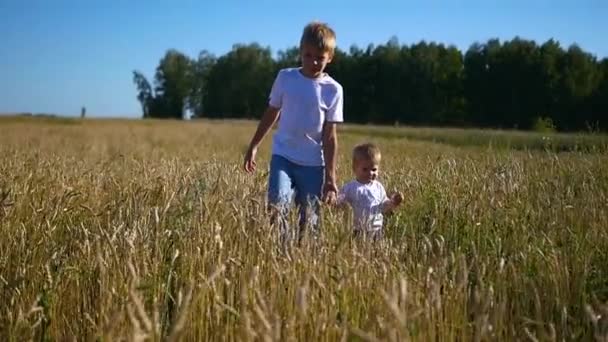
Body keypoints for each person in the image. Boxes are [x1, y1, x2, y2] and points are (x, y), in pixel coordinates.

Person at [243, 21, 344, 244]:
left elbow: (330, 136)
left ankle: (306, 260)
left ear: (330, 57)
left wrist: (331, 178)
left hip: (313, 164)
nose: (313, 62)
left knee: (310, 221)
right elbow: (272, 113)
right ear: (300, 52)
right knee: (276, 205)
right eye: (308, 55)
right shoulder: (285, 78)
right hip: (283, 157)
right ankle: (282, 253)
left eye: (320, 57)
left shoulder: (333, 90)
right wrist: (254, 145)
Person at [336, 143, 403, 240]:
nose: (370, 173)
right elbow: (339, 202)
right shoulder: (350, 187)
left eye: (374, 169)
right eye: (365, 169)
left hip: (376, 230)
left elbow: (383, 206)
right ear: (354, 168)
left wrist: (393, 203)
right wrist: (339, 203)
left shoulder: (378, 187)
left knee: (376, 253)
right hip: (357, 230)